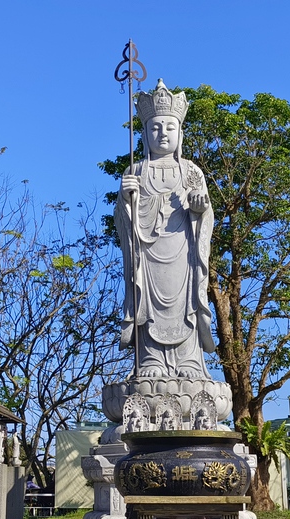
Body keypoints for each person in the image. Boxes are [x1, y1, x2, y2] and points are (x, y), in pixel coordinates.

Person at [116, 79, 214, 380]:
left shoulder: (191, 171)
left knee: (186, 303)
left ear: (179, 133)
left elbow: (206, 212)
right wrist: (125, 199)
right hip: (147, 254)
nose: (162, 133)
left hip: (184, 254)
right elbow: (122, 222)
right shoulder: (135, 171)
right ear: (145, 133)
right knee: (146, 301)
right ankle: (151, 361)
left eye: (169, 128)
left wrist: (199, 208)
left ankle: (190, 362)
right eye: (155, 127)